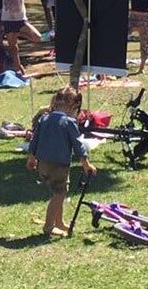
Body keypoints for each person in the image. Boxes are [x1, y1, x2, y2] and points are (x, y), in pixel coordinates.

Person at [26, 86, 96, 237]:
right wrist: (86, 164)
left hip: (43, 164)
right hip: (58, 165)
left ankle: (59, 222)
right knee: (59, 194)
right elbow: (78, 145)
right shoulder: (69, 122)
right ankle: (49, 226)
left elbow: (34, 139)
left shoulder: (44, 119)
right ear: (74, 106)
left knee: (59, 192)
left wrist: (31, 158)